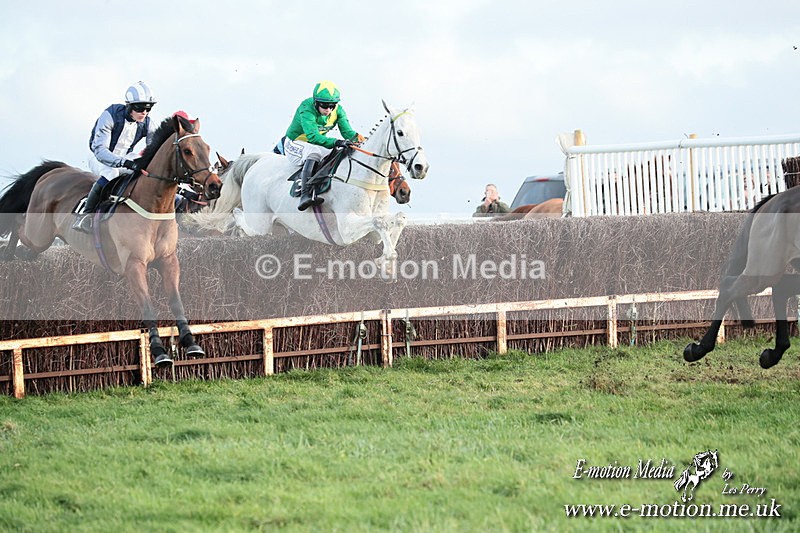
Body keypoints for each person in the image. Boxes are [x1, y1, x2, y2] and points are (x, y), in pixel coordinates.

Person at [73, 81, 158, 232]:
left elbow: (154, 149)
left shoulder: (147, 122)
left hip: (125, 156)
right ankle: (85, 216)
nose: (144, 112)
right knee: (111, 172)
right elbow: (100, 150)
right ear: (129, 105)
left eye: (148, 107)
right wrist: (124, 163)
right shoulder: (110, 115)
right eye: (139, 107)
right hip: (99, 156)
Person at [274, 80, 365, 210]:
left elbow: (347, 132)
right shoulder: (306, 108)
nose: (328, 110)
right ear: (316, 102)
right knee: (314, 153)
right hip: (295, 142)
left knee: (337, 153)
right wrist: (336, 142)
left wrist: (360, 140)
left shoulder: (338, 111)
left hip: (316, 144)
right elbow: (312, 136)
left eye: (332, 106)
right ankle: (304, 195)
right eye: (324, 105)